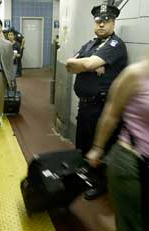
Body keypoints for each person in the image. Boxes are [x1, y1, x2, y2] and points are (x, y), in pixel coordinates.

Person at [65, 3, 127, 200]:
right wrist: (87, 65)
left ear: (113, 23)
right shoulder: (89, 44)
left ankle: (101, 184)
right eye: (98, 21)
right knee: (83, 144)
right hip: (85, 105)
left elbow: (87, 63)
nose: (101, 24)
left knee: (99, 146)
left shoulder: (115, 45)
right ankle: (87, 177)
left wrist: (87, 64)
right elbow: (69, 65)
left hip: (101, 107)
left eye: (106, 21)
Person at [86, 58, 149, 231]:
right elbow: (111, 113)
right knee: (132, 223)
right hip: (130, 159)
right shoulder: (135, 74)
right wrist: (98, 148)